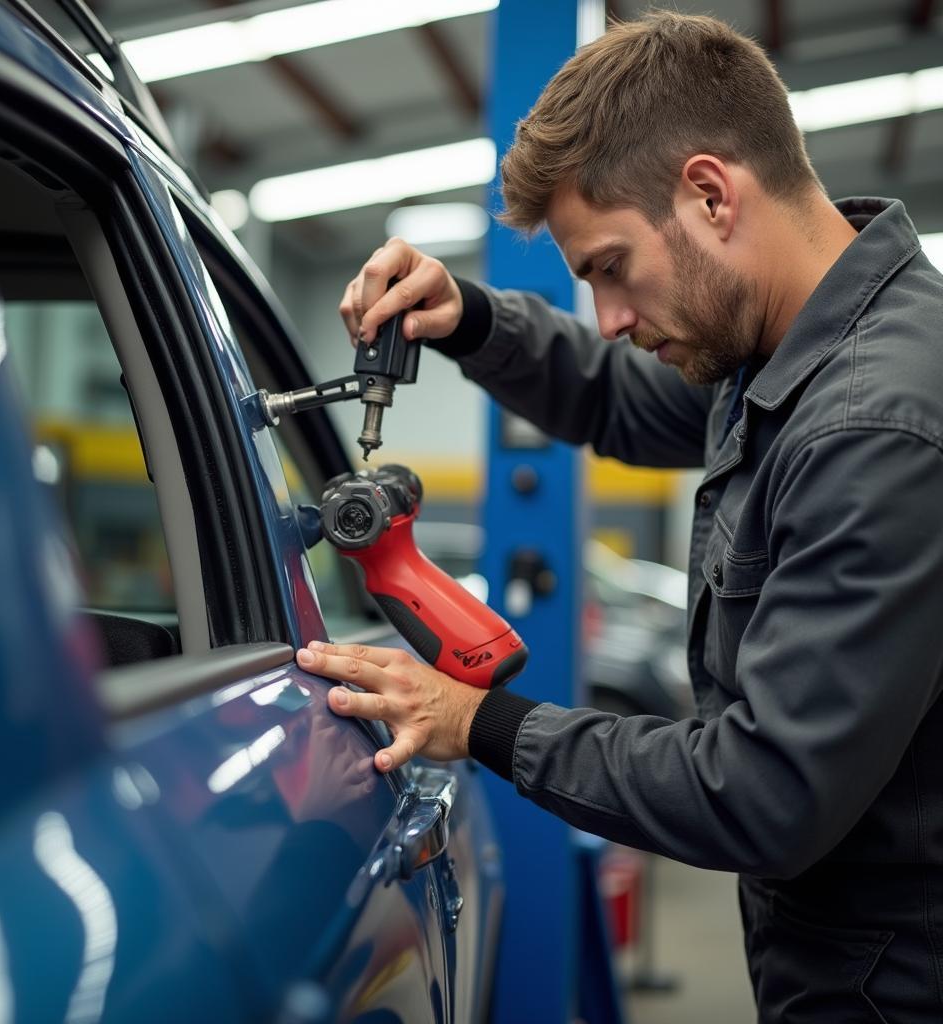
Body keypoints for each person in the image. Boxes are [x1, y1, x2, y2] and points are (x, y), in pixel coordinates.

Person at [294, 11, 943, 1021]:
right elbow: (614, 397)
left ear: (710, 194)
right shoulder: (779, 343)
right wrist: (468, 316)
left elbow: (765, 791)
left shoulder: (873, 424)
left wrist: (479, 723)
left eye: (606, 267)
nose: (608, 316)